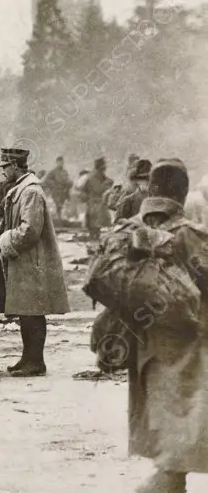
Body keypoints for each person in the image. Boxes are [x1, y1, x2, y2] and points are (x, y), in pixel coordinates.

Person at [114, 158, 208, 493]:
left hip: (146, 342)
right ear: (182, 193)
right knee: (188, 411)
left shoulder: (130, 229)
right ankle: (167, 480)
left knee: (166, 413)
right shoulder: (188, 234)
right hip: (188, 342)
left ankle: (170, 477)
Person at [0, 146, 69, 377]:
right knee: (26, 312)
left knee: (33, 312)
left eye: (5, 167)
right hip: (24, 260)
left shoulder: (30, 192)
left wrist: (2, 241)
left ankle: (36, 361)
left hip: (33, 261)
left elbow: (30, 230)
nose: (3, 172)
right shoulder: (20, 190)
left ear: (15, 166)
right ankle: (28, 358)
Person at [82, 157, 114, 239]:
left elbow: (84, 189)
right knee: (95, 225)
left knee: (95, 226)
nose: (105, 167)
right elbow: (98, 189)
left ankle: (94, 237)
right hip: (95, 203)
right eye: (103, 165)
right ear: (100, 167)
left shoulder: (93, 176)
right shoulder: (94, 177)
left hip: (95, 203)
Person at [41, 156, 73, 223]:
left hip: (64, 192)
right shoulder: (53, 172)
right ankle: (57, 220)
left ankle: (61, 220)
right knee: (57, 205)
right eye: (59, 162)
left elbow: (68, 180)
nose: (61, 163)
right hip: (56, 192)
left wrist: (69, 183)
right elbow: (47, 180)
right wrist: (54, 185)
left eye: (62, 162)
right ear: (57, 162)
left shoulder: (65, 172)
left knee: (62, 206)